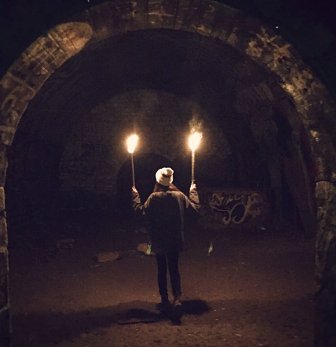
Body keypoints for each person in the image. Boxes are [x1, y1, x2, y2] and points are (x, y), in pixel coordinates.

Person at [131, 167, 200, 312]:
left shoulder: (153, 198)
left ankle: (164, 299)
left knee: (161, 269)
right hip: (174, 239)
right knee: (174, 269)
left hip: (159, 240)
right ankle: (177, 298)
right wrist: (193, 191)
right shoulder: (179, 196)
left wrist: (135, 196)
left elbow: (140, 211)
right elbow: (195, 209)